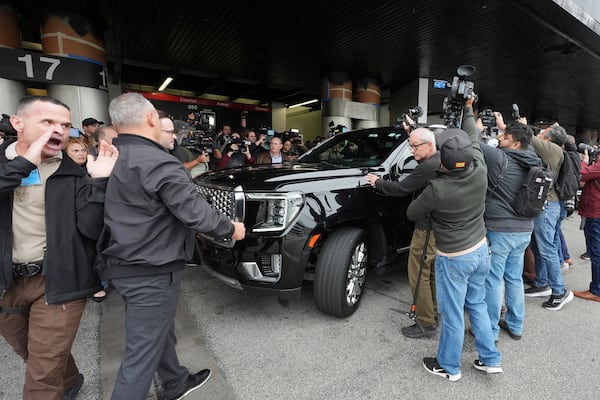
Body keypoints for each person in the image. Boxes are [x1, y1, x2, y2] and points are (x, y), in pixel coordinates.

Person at [95, 92, 245, 400]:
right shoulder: (158, 162)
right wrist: (231, 228)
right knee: (140, 359)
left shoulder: (108, 157)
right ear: (151, 118)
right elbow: (194, 212)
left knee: (155, 331)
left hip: (122, 265)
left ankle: (175, 381)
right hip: (150, 270)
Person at [0, 95, 118, 399]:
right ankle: (70, 380)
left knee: (42, 371)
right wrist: (24, 165)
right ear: (18, 123)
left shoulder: (72, 173)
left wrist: (100, 183)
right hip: (7, 282)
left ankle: (57, 382)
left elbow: (91, 230)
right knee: (29, 351)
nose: (59, 130)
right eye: (48, 122)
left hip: (57, 281)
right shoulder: (4, 163)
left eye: (65, 125)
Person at [406, 115, 502, 381]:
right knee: (477, 304)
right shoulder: (480, 168)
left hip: (454, 257)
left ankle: (448, 366)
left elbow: (412, 212)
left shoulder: (437, 188)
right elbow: (473, 137)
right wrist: (469, 110)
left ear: (442, 163)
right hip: (481, 249)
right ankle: (490, 359)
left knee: (452, 314)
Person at [471, 106, 542, 341]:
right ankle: (516, 325)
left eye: (504, 137)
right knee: (513, 278)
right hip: (524, 229)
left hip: (500, 229)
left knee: (493, 279)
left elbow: (472, 141)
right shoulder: (534, 159)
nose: (499, 139)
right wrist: (507, 127)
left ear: (514, 144)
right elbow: (527, 140)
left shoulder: (499, 158)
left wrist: (474, 120)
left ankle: (490, 330)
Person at [365, 127, 440, 338]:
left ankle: (425, 323)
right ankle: (433, 314)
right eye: (410, 145)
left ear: (428, 145)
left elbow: (400, 188)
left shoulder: (427, 168)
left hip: (426, 231)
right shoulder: (439, 159)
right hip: (438, 229)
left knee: (418, 275)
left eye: (414, 146)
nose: (411, 150)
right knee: (430, 274)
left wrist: (377, 182)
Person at [525, 122, 574, 310]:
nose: (541, 134)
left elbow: (528, 136)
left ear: (549, 138)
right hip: (548, 205)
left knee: (547, 249)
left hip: (548, 206)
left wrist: (518, 125)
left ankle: (559, 291)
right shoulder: (553, 150)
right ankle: (541, 282)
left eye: (544, 133)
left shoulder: (552, 149)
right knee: (539, 246)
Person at [574, 147, 600, 302]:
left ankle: (596, 290)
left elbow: (582, 173)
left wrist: (584, 161)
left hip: (595, 213)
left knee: (596, 253)